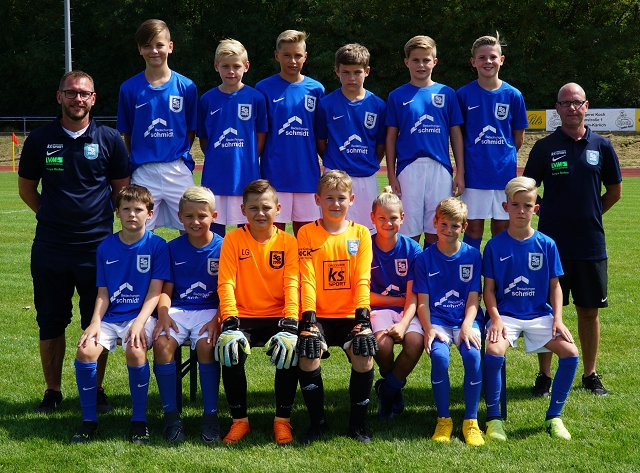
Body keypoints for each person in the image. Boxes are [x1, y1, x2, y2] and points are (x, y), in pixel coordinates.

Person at [18, 70, 130, 414]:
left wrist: (97, 223)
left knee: (97, 320)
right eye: (71, 93)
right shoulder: (39, 139)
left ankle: (95, 390)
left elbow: (121, 190)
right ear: (60, 97)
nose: (77, 99)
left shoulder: (109, 139)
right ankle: (52, 391)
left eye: (84, 93)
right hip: (51, 247)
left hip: (97, 248)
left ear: (93, 99)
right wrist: (52, 217)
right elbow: (26, 189)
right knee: (50, 320)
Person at [524, 83, 622, 396]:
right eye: (565, 103)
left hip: (590, 244)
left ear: (586, 106)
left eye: (577, 102)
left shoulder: (602, 146)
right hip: (550, 245)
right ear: (557, 108)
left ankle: (590, 374)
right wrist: (546, 212)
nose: (571, 108)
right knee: (546, 312)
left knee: (589, 311)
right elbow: (527, 189)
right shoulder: (544, 147)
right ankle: (544, 375)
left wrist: (591, 213)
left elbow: (615, 191)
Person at [70, 184, 170, 444]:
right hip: (111, 318)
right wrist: (95, 322)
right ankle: (89, 421)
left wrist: (139, 324)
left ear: (150, 214)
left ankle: (139, 420)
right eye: (126, 209)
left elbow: (155, 292)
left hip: (142, 316)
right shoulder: (105, 247)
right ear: (117, 212)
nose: (132, 214)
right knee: (85, 351)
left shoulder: (157, 246)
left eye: (138, 210)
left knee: (135, 349)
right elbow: (103, 293)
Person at [483, 176, 579, 441]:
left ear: (536, 209)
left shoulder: (546, 244)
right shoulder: (494, 246)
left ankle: (554, 417)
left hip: (539, 314)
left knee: (571, 353)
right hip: (506, 316)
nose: (521, 211)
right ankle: (493, 419)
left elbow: (555, 287)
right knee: (494, 351)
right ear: (505, 207)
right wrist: (495, 319)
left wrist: (557, 319)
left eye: (527, 205)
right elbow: (488, 290)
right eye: (515, 205)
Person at [215, 180, 300, 444]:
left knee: (290, 350)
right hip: (243, 316)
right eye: (253, 208)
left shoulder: (288, 242)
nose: (260, 213)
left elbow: (292, 283)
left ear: (278, 209)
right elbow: (226, 282)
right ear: (243, 210)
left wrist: (291, 321)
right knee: (230, 350)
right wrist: (229, 320)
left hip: (279, 316)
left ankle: (282, 421)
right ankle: (239, 421)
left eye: (266, 207)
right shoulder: (232, 239)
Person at [296, 170, 377, 444]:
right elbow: (307, 278)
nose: (335, 203)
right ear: (317, 199)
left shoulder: (361, 234)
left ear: (351, 199)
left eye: (341, 198)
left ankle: (358, 425)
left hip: (351, 316)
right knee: (308, 355)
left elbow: (362, 278)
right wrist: (308, 320)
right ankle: (317, 423)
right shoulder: (306, 233)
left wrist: (363, 320)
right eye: (329, 197)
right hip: (318, 316)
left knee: (364, 355)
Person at [152, 186, 223, 444]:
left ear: (214, 216)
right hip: (179, 310)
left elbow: (228, 291)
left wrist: (217, 319)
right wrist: (162, 314)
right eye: (189, 216)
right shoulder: (171, 248)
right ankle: (172, 418)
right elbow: (166, 290)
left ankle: (210, 418)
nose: (196, 221)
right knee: (161, 344)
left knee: (206, 346)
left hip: (211, 310)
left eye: (202, 216)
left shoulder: (223, 247)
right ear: (179, 216)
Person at [413, 197, 484, 446]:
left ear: (464, 227)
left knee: (473, 357)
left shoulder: (472, 256)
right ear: (435, 222)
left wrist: (466, 325)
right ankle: (444, 419)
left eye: (455, 225)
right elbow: (422, 302)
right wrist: (429, 328)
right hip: (438, 321)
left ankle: (471, 421)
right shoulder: (424, 259)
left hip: (466, 319)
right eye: (443, 224)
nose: (448, 230)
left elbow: (474, 297)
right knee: (440, 358)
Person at [116, 19, 198, 232]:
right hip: (143, 171)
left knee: (192, 228)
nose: (154, 50)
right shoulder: (128, 88)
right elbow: (128, 133)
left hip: (177, 168)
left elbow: (190, 130)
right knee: (138, 232)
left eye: (159, 45)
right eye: (147, 45)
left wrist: (177, 154)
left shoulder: (187, 86)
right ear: (139, 49)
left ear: (170, 47)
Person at [385, 35, 464, 246]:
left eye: (426, 60)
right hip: (408, 169)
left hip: (440, 168)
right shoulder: (396, 95)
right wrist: (391, 174)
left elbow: (456, 134)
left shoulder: (447, 93)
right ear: (406, 62)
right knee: (408, 232)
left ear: (434, 62)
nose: (421, 65)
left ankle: (432, 267)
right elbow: (391, 137)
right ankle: (410, 267)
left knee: (437, 230)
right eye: (416, 60)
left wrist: (460, 171)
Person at [456, 33, 528, 251]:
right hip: (474, 175)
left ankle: (497, 272)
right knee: (472, 229)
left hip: (503, 176)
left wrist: (501, 157)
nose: (488, 61)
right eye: (482, 57)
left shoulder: (514, 95)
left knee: (501, 229)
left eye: (493, 57)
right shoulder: (463, 94)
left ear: (501, 60)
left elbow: (518, 138)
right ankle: (470, 272)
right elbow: (459, 136)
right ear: (473, 62)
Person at [256, 30, 325, 236]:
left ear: (305, 56)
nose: (292, 61)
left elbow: (320, 134)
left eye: (297, 55)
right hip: (274, 176)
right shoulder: (263, 88)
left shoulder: (316, 89)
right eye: (287, 55)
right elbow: (260, 133)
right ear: (277, 56)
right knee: (273, 238)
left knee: (307, 238)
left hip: (307, 175)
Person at [198, 39, 268, 237]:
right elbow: (204, 139)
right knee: (213, 230)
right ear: (216, 66)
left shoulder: (256, 98)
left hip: (245, 175)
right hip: (215, 176)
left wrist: (248, 159)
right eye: (225, 66)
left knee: (247, 231)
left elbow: (261, 136)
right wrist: (217, 158)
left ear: (246, 66)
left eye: (236, 66)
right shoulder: (207, 99)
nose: (231, 71)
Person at [315, 44, 386, 232]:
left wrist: (367, 163)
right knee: (333, 229)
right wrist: (335, 164)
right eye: (346, 72)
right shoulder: (326, 104)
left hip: (366, 177)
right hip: (334, 176)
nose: (351, 78)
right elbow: (320, 142)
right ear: (337, 71)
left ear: (367, 71)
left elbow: (380, 145)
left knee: (367, 230)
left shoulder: (378, 105)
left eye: (357, 72)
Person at [368, 188, 423, 419]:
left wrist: (403, 324)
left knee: (415, 342)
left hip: (407, 310)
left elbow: (414, 295)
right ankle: (394, 382)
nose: (388, 223)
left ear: (402, 218)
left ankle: (388, 389)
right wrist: (397, 300)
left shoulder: (413, 249)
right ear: (372, 218)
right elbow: (365, 296)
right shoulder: (365, 246)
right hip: (379, 309)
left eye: (393, 218)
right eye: (382, 218)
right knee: (382, 346)